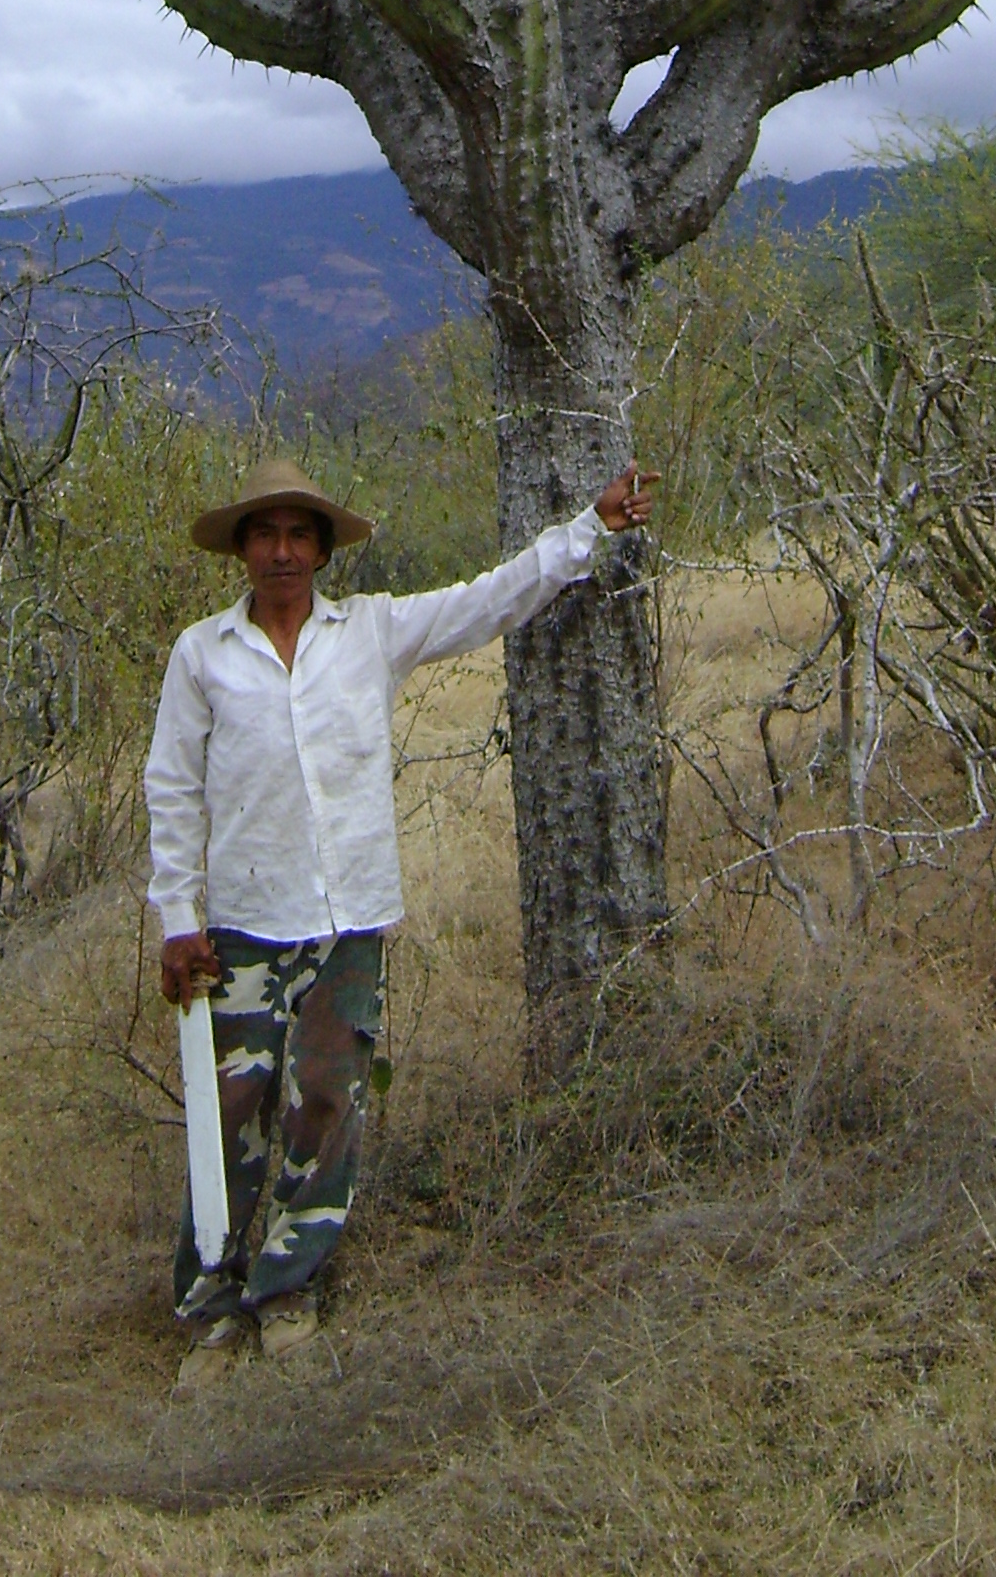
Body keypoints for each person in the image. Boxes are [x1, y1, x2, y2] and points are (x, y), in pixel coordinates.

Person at [144, 451, 654, 1381]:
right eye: (266, 534)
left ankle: (285, 1291)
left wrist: (590, 528)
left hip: (348, 921)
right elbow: (172, 790)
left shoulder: (371, 633)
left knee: (328, 1105)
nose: (284, 551)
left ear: (326, 549)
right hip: (245, 930)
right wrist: (178, 917)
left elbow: (490, 598)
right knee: (232, 1115)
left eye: (301, 534)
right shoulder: (201, 656)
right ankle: (210, 1309)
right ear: (242, 550)